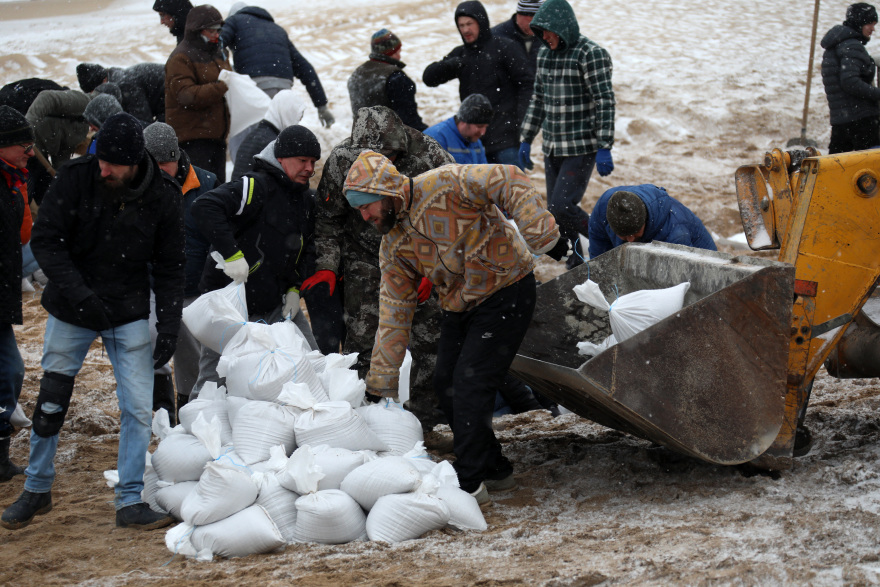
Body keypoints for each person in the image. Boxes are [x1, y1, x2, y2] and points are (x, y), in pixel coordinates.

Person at [343, 150, 570, 504]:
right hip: (460, 305)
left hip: (506, 287)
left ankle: (470, 481)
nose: (365, 215)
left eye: (366, 205)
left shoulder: (445, 184)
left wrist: (543, 235)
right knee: (445, 383)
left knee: (471, 382)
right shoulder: (393, 246)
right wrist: (380, 384)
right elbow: (394, 311)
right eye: (359, 209)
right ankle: (495, 470)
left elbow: (507, 177)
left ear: (384, 190)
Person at [0, 113, 184, 531]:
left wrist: (169, 323)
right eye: (100, 160)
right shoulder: (77, 177)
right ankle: (37, 488)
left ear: (136, 161)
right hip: (71, 307)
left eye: (113, 164)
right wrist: (80, 294)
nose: (103, 169)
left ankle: (129, 500)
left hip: (128, 311)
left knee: (137, 409)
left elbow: (172, 265)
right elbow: (47, 240)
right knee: (51, 400)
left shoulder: (164, 195)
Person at [307, 106, 453, 433]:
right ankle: (363, 422)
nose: (375, 163)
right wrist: (328, 266)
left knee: (433, 344)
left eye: (384, 155)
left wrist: (434, 268)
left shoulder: (431, 157)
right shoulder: (343, 160)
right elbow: (327, 220)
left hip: (421, 255)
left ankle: (426, 425)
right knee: (365, 343)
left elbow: (454, 219)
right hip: (366, 258)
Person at [190, 125, 320, 395]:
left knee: (310, 363)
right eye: (302, 161)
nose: (309, 168)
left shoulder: (306, 201)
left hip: (275, 303)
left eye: (313, 162)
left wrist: (295, 289)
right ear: (281, 158)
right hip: (229, 305)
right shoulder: (254, 186)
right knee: (215, 380)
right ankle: (198, 430)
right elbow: (205, 206)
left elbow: (304, 250)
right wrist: (232, 254)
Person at [518, 0, 616, 268]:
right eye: (539, 32)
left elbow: (604, 100)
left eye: (547, 31)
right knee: (558, 215)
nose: (544, 37)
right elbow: (538, 99)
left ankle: (611, 239)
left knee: (561, 207)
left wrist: (604, 145)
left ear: (561, 27)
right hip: (552, 147)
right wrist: (526, 138)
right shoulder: (544, 54)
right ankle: (577, 264)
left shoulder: (590, 53)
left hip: (581, 146)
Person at [143, 122, 218, 420]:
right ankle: (161, 410)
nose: (162, 170)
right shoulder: (138, 186)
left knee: (193, 358)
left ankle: (186, 410)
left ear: (178, 157)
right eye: (155, 164)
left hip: (194, 288)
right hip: (153, 285)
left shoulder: (207, 183)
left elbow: (218, 236)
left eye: (167, 163)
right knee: (151, 344)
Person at [423, 0, 532, 166]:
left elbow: (527, 85)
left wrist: (519, 123)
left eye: (469, 24)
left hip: (506, 139)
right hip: (474, 141)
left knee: (512, 189)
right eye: (461, 25)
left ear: (481, 22)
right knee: (480, 190)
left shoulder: (505, 47)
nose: (466, 29)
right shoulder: (461, 54)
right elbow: (429, 79)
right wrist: (449, 65)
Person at [220, 3, 334, 125]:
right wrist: (321, 106)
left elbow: (218, 43)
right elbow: (305, 68)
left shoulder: (234, 20)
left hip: (256, 86)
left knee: (256, 136)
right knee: (282, 137)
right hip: (284, 90)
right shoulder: (277, 30)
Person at [0, 106, 35, 483]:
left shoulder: (12, 179)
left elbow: (22, 236)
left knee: (9, 372)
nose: (30, 151)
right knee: (8, 372)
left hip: (3, 294)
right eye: (24, 144)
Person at [165, 4, 231, 183]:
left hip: (215, 139)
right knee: (198, 195)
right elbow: (186, 95)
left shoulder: (218, 54)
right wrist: (221, 86)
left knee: (216, 194)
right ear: (197, 31)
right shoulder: (181, 57)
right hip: (193, 142)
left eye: (219, 30)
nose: (217, 35)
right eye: (212, 31)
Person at [587, 185, 717, 258]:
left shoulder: (675, 234)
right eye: (624, 235)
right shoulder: (604, 208)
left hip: (701, 262)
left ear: (645, 220)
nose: (630, 239)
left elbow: (682, 280)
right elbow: (599, 254)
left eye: (635, 232)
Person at [821, 3, 880, 154]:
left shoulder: (835, 46)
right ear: (859, 22)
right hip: (861, 120)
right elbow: (850, 82)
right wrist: (877, 94)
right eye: (870, 23)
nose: (873, 28)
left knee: (836, 168)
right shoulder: (852, 46)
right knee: (873, 168)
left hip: (841, 120)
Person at [348, 29, 427, 131]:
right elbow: (409, 121)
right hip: (392, 142)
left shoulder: (356, 74)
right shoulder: (396, 77)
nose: (400, 56)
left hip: (363, 140)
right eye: (398, 51)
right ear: (392, 52)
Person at [231, 89, 305, 181]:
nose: (296, 124)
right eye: (297, 119)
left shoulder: (254, 135)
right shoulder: (272, 144)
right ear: (287, 113)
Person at [76, 62, 166, 125]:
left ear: (103, 81)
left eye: (97, 92)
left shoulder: (125, 86)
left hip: (171, 95)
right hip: (168, 92)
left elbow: (143, 121)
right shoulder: (115, 76)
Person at [424, 93, 493, 164]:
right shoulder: (436, 137)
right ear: (464, 121)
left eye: (486, 127)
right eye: (480, 126)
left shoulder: (476, 142)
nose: (483, 132)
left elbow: (483, 172)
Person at [491, 0, 544, 76]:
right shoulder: (495, 36)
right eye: (530, 19)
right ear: (518, 15)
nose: (535, 24)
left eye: (539, 19)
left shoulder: (547, 37)